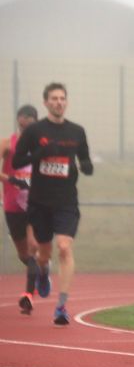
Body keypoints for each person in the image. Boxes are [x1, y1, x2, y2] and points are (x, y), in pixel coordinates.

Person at [12, 82, 93, 325]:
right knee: (44, 253)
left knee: (64, 247)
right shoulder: (34, 131)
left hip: (66, 200)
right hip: (40, 201)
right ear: (46, 102)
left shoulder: (77, 131)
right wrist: (41, 154)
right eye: (54, 98)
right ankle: (43, 270)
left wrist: (86, 166)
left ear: (66, 102)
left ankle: (61, 306)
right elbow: (17, 162)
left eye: (62, 98)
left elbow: (86, 161)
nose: (59, 102)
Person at [1, 105, 43, 315]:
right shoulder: (7, 144)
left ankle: (28, 296)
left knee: (33, 246)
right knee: (23, 254)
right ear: (18, 122)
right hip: (13, 204)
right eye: (23, 125)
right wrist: (11, 179)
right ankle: (41, 271)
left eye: (30, 127)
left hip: (34, 203)